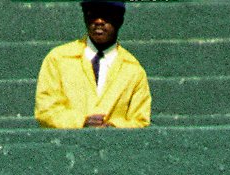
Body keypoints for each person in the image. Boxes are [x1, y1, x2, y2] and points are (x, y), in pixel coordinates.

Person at [35, 1, 151, 130]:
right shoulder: (58, 59)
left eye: (107, 15)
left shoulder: (133, 70)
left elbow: (140, 121)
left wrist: (113, 126)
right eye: (93, 15)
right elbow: (45, 110)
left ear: (120, 20)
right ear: (85, 18)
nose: (99, 21)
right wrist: (81, 122)